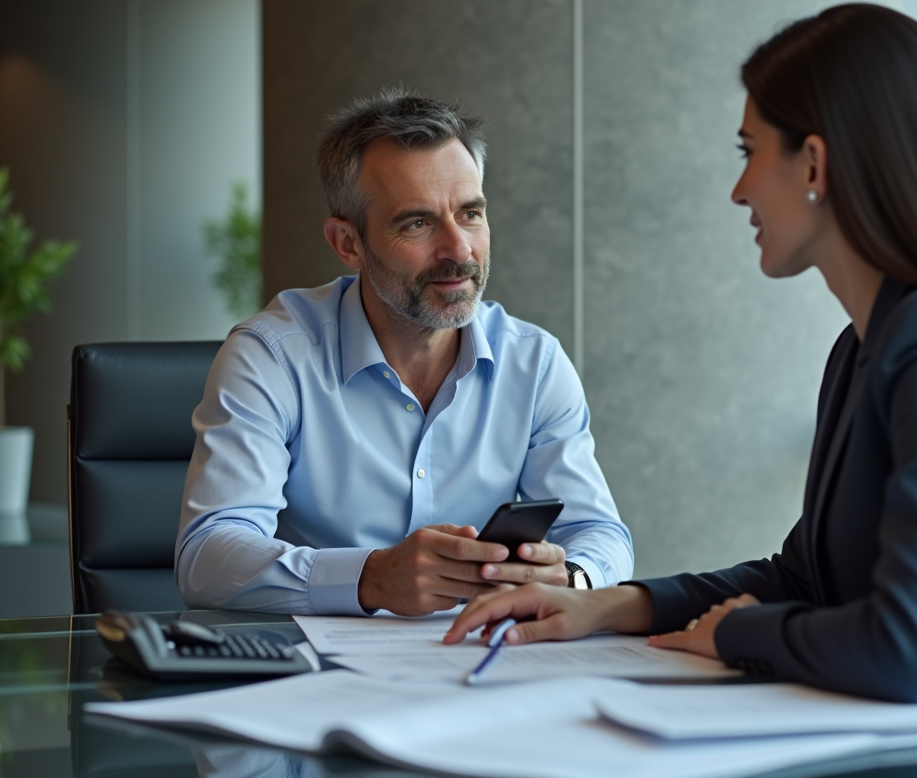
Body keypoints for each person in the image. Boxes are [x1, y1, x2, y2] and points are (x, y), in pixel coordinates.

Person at [445, 4, 917, 758]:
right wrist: (603, 607)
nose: (738, 190)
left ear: (814, 164)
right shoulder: (864, 347)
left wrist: (734, 632)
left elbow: (910, 647)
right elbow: (805, 575)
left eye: (750, 150)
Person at [176, 90, 633, 617]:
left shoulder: (534, 363)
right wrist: (368, 578)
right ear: (348, 243)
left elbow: (599, 532)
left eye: (471, 213)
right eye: (417, 222)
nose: (459, 250)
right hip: (319, 679)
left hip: (482, 665)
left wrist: (569, 580)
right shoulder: (272, 356)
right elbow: (206, 557)